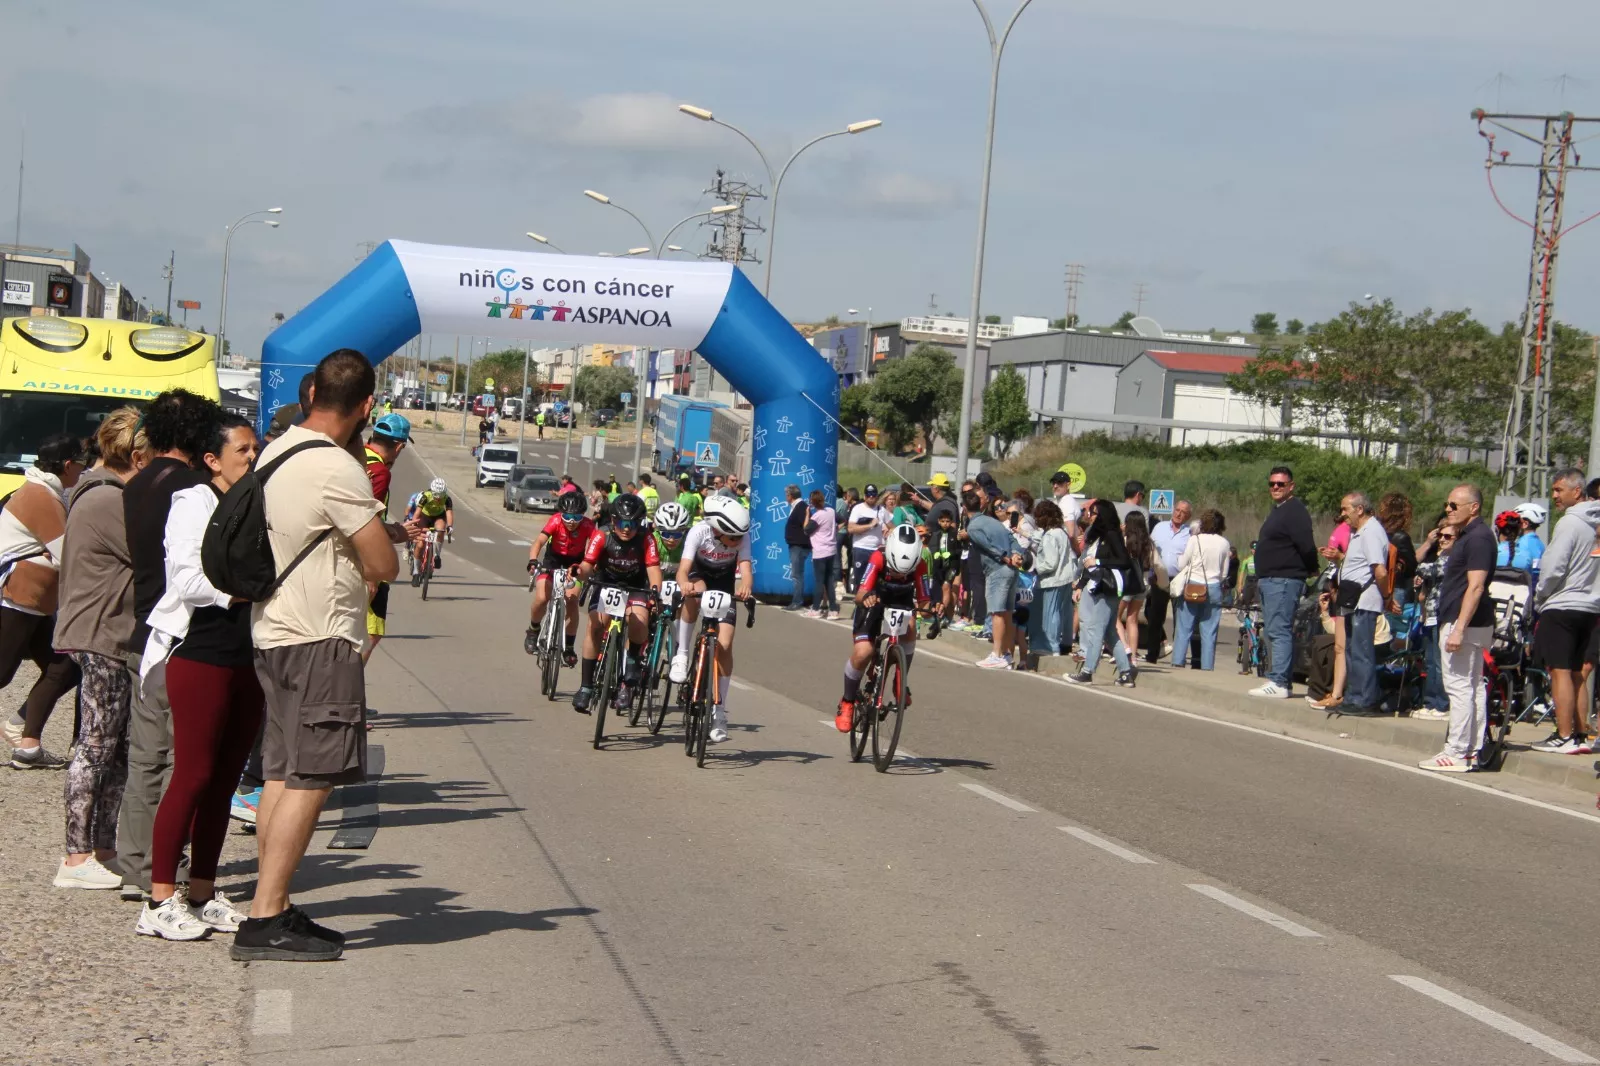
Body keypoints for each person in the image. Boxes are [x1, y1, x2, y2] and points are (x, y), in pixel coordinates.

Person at [236, 350, 414, 961]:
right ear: (366, 406)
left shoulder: (277, 448)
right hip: (320, 637)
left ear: (312, 393)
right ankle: (264, 917)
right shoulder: (338, 469)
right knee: (313, 779)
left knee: (284, 775)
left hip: (274, 633)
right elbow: (383, 563)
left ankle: (273, 903)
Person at [137, 413, 262, 941]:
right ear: (212, 459)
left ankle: (203, 891)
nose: (252, 458)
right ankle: (158, 898)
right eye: (243, 451)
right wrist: (241, 591)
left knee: (224, 780)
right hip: (198, 650)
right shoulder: (194, 501)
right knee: (191, 774)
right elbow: (185, 577)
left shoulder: (256, 502)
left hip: (246, 656)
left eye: (255, 449)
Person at [50, 410, 145, 889]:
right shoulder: (108, 498)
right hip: (100, 633)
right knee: (95, 744)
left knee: (115, 748)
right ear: (135, 453)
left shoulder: (102, 491)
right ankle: (75, 856)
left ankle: (103, 847)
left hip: (111, 633)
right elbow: (151, 555)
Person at [0, 434, 86, 769]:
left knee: (63, 667)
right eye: (80, 464)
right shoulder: (41, 496)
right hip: (18, 597)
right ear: (67, 465)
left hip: (34, 600)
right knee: (3, 672)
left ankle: (28, 743)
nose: (83, 470)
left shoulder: (44, 491)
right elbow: (68, 554)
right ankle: (25, 736)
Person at [1418, 484, 1495, 772]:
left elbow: (1475, 586)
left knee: (1460, 686)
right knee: (1472, 686)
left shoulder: (1478, 538)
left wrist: (1459, 627)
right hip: (1468, 620)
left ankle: (1457, 751)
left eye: (1454, 505)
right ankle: (1472, 750)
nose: (1448, 510)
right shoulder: (1471, 536)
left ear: (1473, 507)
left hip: (1465, 621)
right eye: (1447, 505)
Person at [669, 496, 754, 743]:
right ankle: (682, 654)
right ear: (718, 530)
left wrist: (746, 587)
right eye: (733, 537)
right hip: (698, 574)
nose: (738, 541)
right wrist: (684, 583)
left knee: (725, 646)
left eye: (740, 537)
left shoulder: (743, 538)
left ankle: (719, 711)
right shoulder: (699, 532)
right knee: (695, 597)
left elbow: (746, 571)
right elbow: (683, 568)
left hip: (725, 582)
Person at [1528, 469, 1600, 754]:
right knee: (1576, 674)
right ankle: (1581, 734)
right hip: (1590, 605)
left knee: (1560, 672)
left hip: (1562, 604)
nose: (1554, 496)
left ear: (1577, 491)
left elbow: (1554, 567)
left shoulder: (1570, 522)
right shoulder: (1595, 523)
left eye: (1559, 490)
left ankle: (1564, 734)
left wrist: (1540, 595)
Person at [571, 493, 662, 715]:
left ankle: (631, 662)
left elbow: (653, 570)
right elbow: (588, 564)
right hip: (606, 583)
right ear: (612, 521)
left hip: (635, 586)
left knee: (639, 620)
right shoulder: (601, 535)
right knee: (595, 626)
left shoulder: (646, 538)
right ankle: (586, 686)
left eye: (632, 524)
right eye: (621, 523)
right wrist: (578, 572)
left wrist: (655, 594)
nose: (627, 528)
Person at [835, 524, 932, 730]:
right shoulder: (878, 557)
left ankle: (899, 681)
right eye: (895, 570)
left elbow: (924, 604)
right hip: (873, 602)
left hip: (900, 605)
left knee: (912, 625)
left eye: (903, 572)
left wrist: (933, 609)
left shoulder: (920, 564)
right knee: (864, 653)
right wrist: (867, 598)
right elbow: (860, 594)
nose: (898, 575)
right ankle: (847, 701)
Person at [1249, 466, 1317, 699]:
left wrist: (1311, 568)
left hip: (1284, 579)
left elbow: (1306, 545)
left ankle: (1279, 681)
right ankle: (1279, 679)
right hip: (1271, 579)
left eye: (1281, 484)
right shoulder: (1279, 510)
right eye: (1272, 484)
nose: (1276, 487)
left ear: (1291, 486)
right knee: (1272, 630)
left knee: (1279, 630)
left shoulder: (1295, 511)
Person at [1064, 499, 1137, 686]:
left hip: (1108, 588)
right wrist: (1080, 585)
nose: (1089, 516)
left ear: (1103, 514)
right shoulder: (1097, 535)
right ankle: (1126, 673)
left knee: (1097, 630)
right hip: (1097, 586)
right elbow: (1089, 562)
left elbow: (1123, 561)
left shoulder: (1112, 534)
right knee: (1110, 633)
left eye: (1093, 513)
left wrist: (1099, 563)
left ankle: (1088, 672)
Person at [1329, 493, 1390, 714]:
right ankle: (1354, 697)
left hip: (1364, 600)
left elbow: (1380, 571)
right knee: (1352, 650)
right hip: (1353, 600)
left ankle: (1365, 699)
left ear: (1360, 509)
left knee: (1361, 651)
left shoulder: (1371, 532)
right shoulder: (1359, 532)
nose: (1342, 514)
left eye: (1346, 509)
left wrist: (1386, 596)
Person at [361, 413, 411, 665]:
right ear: (399, 446)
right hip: (368, 565)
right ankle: (350, 698)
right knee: (370, 633)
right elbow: (365, 521)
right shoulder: (379, 471)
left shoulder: (357, 455)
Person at [523, 490, 597, 661]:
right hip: (552, 561)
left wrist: (593, 568)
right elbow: (539, 542)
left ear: (583, 516)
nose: (571, 522)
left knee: (571, 602)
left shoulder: (588, 526)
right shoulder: (555, 520)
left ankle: (569, 647)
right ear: (561, 514)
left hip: (575, 564)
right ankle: (533, 630)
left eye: (576, 518)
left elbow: (596, 548)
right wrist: (533, 560)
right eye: (567, 517)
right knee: (542, 598)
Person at [961, 490, 1024, 670]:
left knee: (997, 612)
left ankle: (997, 654)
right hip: (1012, 570)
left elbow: (988, 547)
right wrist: (1017, 553)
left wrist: (1005, 557)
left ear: (965, 508)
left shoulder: (973, 527)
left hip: (998, 570)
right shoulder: (994, 521)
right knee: (1007, 612)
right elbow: (1011, 538)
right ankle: (1007, 654)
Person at [1171, 509, 1231, 670]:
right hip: (1213, 588)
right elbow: (1224, 573)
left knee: (1184, 627)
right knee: (1209, 631)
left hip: (1193, 585)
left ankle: (1178, 661)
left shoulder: (1194, 540)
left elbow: (1182, 564)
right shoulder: (1224, 543)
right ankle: (1207, 667)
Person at [1027, 499, 1076, 657]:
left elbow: (1049, 563)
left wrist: (1035, 569)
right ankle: (1057, 644)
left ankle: (1050, 645)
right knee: (1060, 613)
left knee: (1049, 614)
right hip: (1065, 579)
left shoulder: (1050, 536)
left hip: (1051, 580)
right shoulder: (1061, 532)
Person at [1146, 501, 1192, 665]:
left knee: (1181, 619)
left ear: (1188, 516)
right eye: (1177, 510)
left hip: (1179, 580)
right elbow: (1149, 549)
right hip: (1159, 577)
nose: (1179, 514)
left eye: (1183, 512)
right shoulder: (1160, 527)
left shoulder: (1189, 533)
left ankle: (1178, 658)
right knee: (1155, 617)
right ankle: (1152, 654)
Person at [1118, 511, 1152, 667]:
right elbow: (1155, 564)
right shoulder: (1148, 543)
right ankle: (1134, 657)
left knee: (1114, 617)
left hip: (1126, 585)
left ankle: (1125, 648)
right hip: (1142, 585)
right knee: (1132, 620)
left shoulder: (1125, 540)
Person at [1378, 492, 1417, 624]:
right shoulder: (1401, 537)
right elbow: (1412, 567)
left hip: (1378, 585)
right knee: (1391, 628)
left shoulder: (1377, 532)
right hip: (1396, 587)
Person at [805, 489, 840, 620]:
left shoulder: (817, 516)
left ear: (812, 503)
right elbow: (842, 520)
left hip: (820, 551)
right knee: (829, 581)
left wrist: (807, 514)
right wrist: (836, 529)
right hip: (831, 549)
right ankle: (833, 609)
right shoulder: (830, 511)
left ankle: (815, 609)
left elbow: (806, 529)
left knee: (819, 581)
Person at [410, 478, 454, 582]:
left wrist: (450, 526)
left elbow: (449, 513)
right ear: (432, 492)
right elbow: (417, 513)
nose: (438, 498)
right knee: (420, 544)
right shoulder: (425, 496)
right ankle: (416, 571)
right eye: (436, 495)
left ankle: (437, 555)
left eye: (441, 496)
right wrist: (414, 524)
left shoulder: (447, 499)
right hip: (424, 516)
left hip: (438, 516)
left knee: (441, 529)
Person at [848, 484, 889, 592]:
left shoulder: (881, 510)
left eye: (873, 495)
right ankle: (860, 606)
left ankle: (874, 606)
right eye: (869, 495)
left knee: (876, 581)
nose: (871, 497)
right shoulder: (858, 509)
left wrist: (889, 531)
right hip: (861, 548)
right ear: (865, 496)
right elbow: (851, 528)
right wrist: (870, 525)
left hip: (877, 550)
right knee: (860, 581)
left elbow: (893, 526)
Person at [783, 483, 811, 611]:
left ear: (790, 495)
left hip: (799, 546)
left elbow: (806, 525)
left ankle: (797, 601)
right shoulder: (797, 506)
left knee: (797, 574)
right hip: (796, 545)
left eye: (786, 495)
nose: (786, 497)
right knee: (797, 574)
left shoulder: (800, 507)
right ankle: (797, 600)